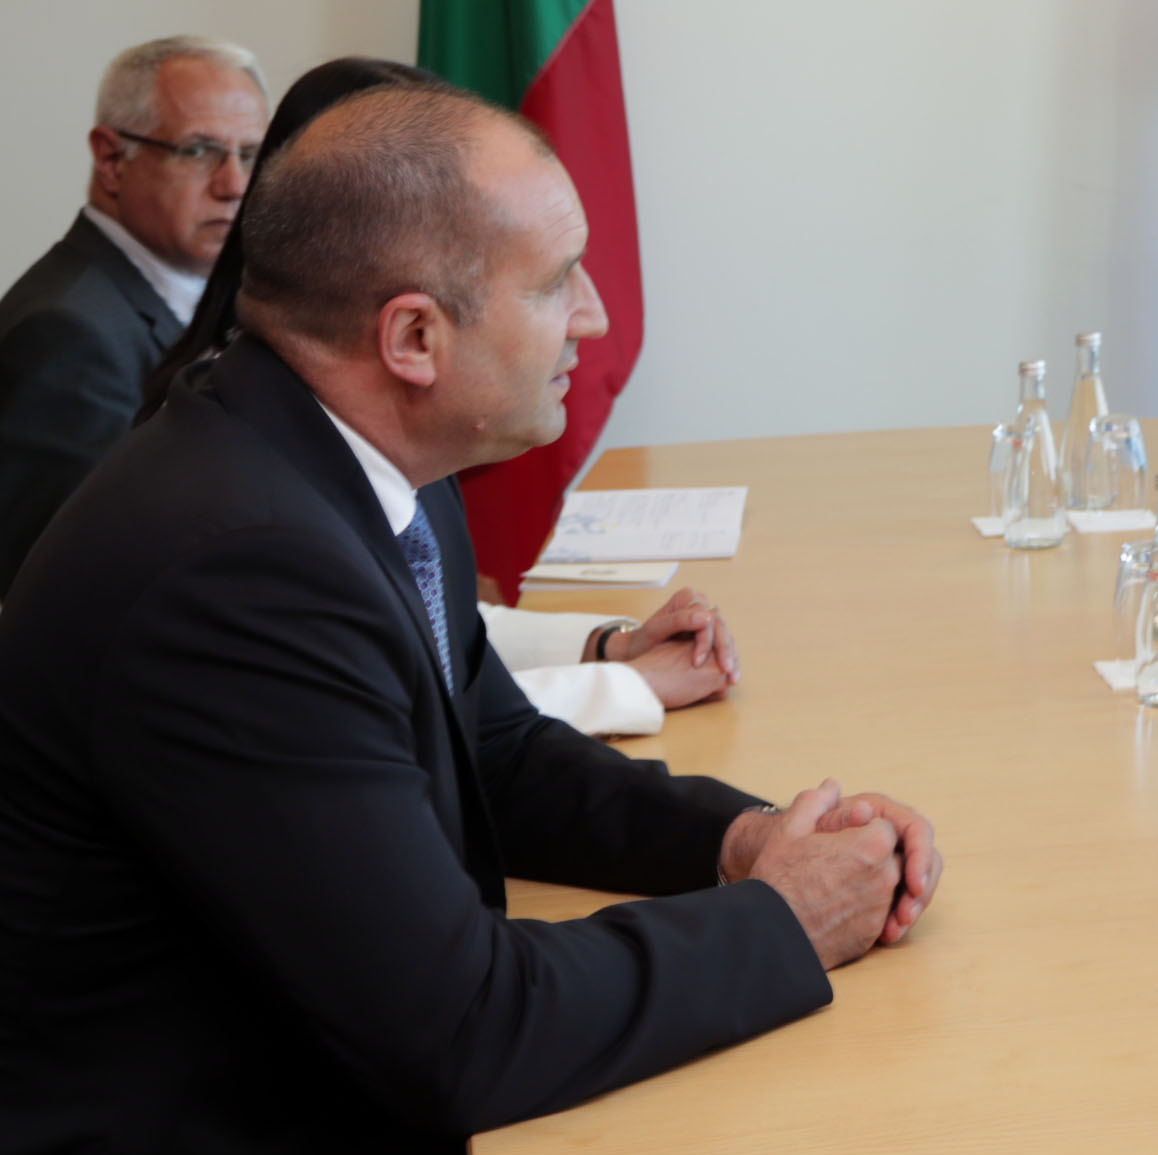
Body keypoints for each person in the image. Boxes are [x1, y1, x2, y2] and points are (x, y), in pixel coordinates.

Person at [0, 82, 941, 1155]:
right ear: (414, 336)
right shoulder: (241, 565)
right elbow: (463, 1028)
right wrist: (781, 921)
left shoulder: (348, 460)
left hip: (321, 1124)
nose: (596, 317)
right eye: (557, 282)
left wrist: (740, 841)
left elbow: (494, 747)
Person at [138, 57, 735, 735]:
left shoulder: (392, 440)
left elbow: (431, 635)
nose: (594, 319)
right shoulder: (255, 523)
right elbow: (394, 705)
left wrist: (606, 646)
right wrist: (621, 684)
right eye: (552, 281)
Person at [0, 37, 269, 596]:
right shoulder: (70, 335)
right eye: (199, 151)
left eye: (250, 155)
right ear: (110, 159)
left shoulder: (214, 300)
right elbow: (59, 583)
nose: (234, 186)